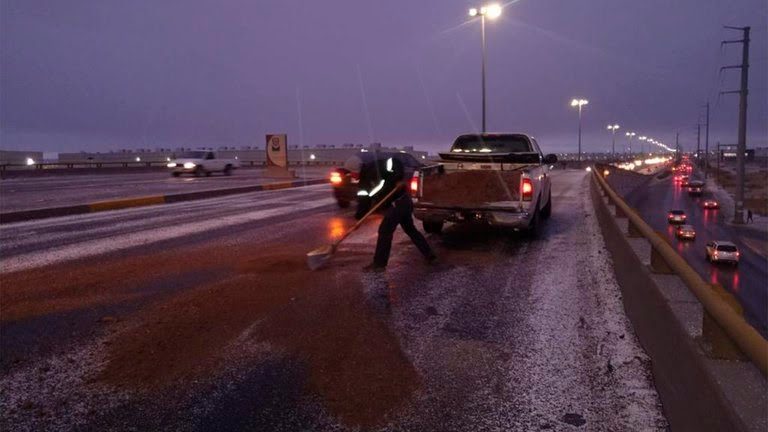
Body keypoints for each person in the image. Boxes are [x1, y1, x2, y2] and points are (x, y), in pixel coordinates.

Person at [357, 155, 436, 272]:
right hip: (401, 202)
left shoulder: (378, 165)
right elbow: (364, 200)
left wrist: (398, 178)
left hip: (398, 202)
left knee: (385, 231)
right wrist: (359, 218)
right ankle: (430, 255)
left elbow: (394, 161)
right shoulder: (363, 182)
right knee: (410, 229)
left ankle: (379, 264)